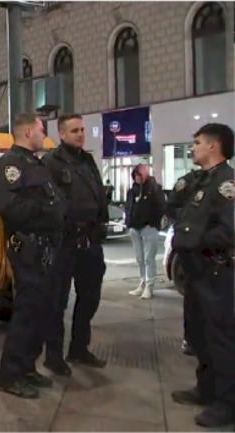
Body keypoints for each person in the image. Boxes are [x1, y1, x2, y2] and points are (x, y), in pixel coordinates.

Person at [0, 113, 67, 399]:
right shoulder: (10, 164)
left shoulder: (36, 163)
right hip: (28, 248)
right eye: (40, 129)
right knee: (26, 314)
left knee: (42, 313)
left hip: (46, 248)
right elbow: (10, 206)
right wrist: (48, 211)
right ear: (26, 131)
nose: (43, 134)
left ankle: (27, 368)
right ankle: (9, 375)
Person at [165, 123, 234, 428]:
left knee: (221, 339)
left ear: (214, 146)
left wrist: (195, 240)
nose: (192, 148)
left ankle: (227, 404)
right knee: (199, 336)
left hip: (216, 273)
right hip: (195, 272)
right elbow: (180, 211)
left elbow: (229, 230)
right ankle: (205, 389)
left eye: (196, 143)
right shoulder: (201, 182)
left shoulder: (227, 183)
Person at [41, 114, 109, 376]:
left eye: (82, 130)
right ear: (62, 134)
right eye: (74, 131)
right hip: (65, 244)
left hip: (90, 243)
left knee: (90, 298)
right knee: (57, 302)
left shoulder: (88, 160)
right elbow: (50, 203)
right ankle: (53, 356)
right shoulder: (52, 162)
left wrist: (101, 223)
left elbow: (98, 195)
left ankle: (79, 349)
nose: (80, 134)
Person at [125, 163, 166, 299]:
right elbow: (128, 207)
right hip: (135, 228)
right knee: (140, 258)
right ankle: (142, 282)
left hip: (148, 227)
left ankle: (149, 285)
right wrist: (129, 223)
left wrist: (153, 223)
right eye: (136, 175)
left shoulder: (154, 188)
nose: (138, 177)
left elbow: (161, 207)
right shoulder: (132, 191)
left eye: (140, 175)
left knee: (149, 259)